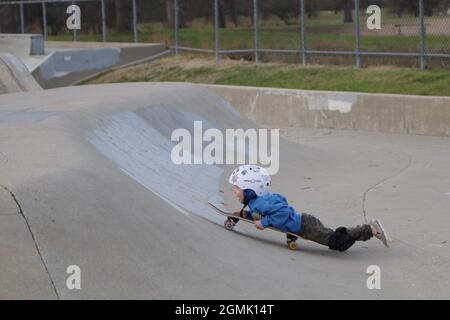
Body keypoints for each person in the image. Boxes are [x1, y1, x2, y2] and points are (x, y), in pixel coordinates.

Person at [228, 165, 391, 252]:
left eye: (236, 188)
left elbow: (282, 212)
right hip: (304, 222)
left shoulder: (260, 202)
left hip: (306, 227)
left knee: (337, 242)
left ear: (249, 189)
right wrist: (245, 215)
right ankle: (368, 229)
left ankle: (370, 229)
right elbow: (276, 205)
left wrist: (264, 223)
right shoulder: (258, 201)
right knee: (336, 240)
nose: (234, 192)